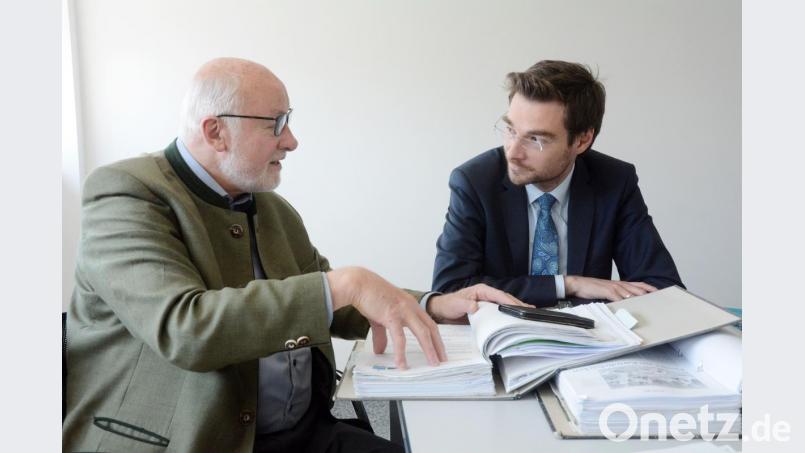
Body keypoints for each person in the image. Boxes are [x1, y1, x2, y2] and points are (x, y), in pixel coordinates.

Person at [62, 57, 524, 453]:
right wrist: (345, 283)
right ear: (215, 131)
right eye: (276, 124)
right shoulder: (127, 194)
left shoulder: (271, 208)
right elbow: (186, 329)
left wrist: (434, 306)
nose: (291, 140)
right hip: (195, 441)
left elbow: (334, 302)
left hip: (303, 434)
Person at [432, 60, 683, 307]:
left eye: (536, 139)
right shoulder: (475, 182)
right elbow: (450, 291)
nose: (513, 152)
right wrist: (567, 284)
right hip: (503, 339)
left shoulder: (614, 181)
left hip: (589, 340)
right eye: (510, 130)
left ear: (582, 140)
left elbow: (663, 287)